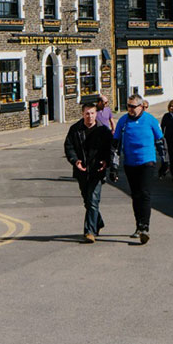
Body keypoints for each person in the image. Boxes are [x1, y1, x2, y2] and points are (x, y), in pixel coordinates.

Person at [113, 94, 166, 244]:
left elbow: (160, 141)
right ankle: (138, 226)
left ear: (141, 106)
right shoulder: (123, 121)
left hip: (147, 162)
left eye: (133, 106)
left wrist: (165, 162)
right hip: (130, 163)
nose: (130, 109)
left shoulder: (150, 120)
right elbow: (115, 145)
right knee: (135, 195)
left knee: (144, 194)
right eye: (128, 106)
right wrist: (114, 167)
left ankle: (145, 227)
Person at [64, 101, 113, 242]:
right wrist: (75, 161)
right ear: (82, 114)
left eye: (92, 113)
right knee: (87, 201)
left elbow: (110, 149)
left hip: (97, 170)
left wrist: (106, 161)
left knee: (92, 200)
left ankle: (89, 232)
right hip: (82, 171)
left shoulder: (103, 131)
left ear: (96, 114)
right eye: (87, 114)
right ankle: (98, 221)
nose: (89, 116)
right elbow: (69, 147)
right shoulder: (75, 129)